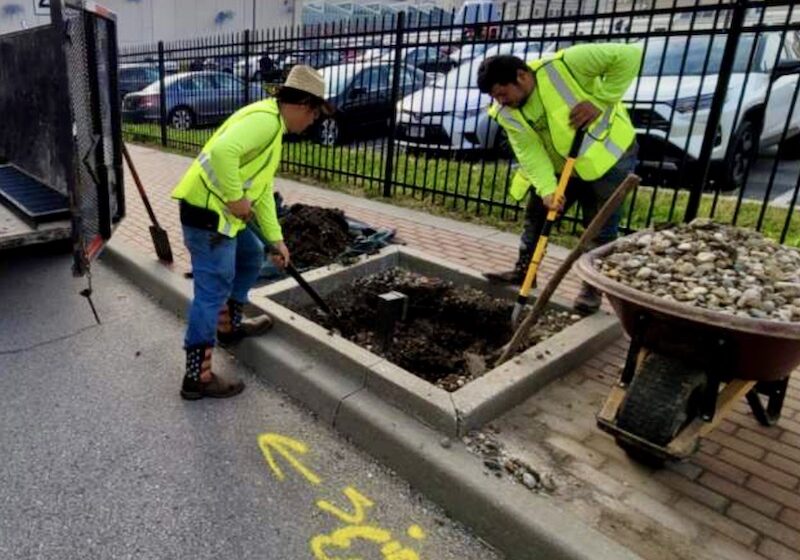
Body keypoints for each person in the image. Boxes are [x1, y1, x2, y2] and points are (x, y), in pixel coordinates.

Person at [171, 65, 332, 400]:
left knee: (249, 254)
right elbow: (222, 152)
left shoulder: (274, 128)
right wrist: (234, 197)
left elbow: (261, 190)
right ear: (304, 105)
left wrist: (276, 240)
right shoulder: (265, 121)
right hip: (207, 215)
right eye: (315, 114)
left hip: (224, 214)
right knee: (211, 289)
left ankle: (230, 326)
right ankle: (196, 377)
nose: (314, 122)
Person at [477, 43, 642, 312]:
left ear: (521, 76)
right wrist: (547, 190)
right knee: (537, 216)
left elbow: (630, 55)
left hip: (608, 160)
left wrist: (600, 100)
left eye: (503, 93)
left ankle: (591, 291)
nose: (501, 101)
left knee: (599, 228)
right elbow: (529, 153)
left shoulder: (566, 65)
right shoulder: (506, 113)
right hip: (559, 167)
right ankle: (524, 272)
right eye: (495, 97)